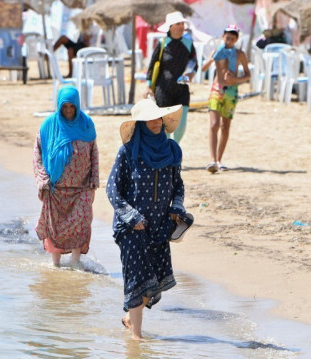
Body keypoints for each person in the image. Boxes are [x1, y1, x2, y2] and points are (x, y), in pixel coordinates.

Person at [106, 98, 193, 340]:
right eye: (149, 119)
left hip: (160, 227)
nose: (155, 123)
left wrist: (177, 205)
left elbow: (178, 185)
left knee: (154, 281)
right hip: (131, 228)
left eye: (158, 118)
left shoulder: (172, 151)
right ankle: (137, 338)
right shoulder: (127, 153)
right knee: (137, 279)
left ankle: (129, 319)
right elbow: (113, 189)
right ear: (140, 124)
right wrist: (132, 216)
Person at [33, 86, 99, 268]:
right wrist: (42, 180)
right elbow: (37, 155)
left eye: (72, 106)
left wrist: (94, 178)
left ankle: (76, 263)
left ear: (77, 106)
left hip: (82, 188)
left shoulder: (86, 125)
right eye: (65, 106)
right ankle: (56, 265)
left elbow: (94, 153)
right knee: (56, 227)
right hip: (56, 189)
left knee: (81, 223)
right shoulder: (48, 126)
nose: (69, 110)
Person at [201, 24, 250, 173]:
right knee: (214, 124)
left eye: (232, 39)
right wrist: (212, 59)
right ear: (223, 37)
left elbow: (248, 75)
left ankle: (219, 159)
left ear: (236, 40)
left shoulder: (240, 54)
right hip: (217, 89)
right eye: (227, 38)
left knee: (225, 126)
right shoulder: (217, 51)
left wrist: (236, 79)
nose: (229, 41)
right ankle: (213, 159)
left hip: (231, 91)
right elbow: (203, 68)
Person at [144, 11, 198, 144]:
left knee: (181, 126)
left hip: (182, 89)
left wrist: (191, 73)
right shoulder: (162, 43)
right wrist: (148, 86)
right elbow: (152, 65)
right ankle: (167, 157)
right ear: (170, 27)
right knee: (165, 127)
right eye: (178, 24)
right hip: (163, 90)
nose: (181, 26)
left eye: (182, 23)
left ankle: (174, 148)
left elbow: (194, 62)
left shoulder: (188, 43)